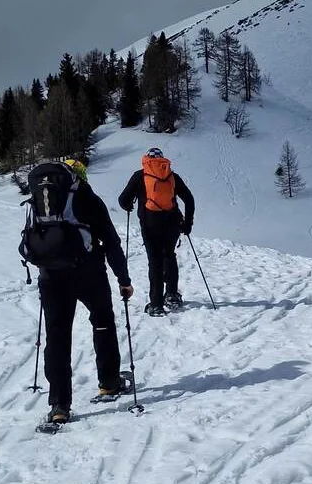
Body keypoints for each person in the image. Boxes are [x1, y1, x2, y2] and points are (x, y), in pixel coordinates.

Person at [20, 158, 134, 424]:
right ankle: (109, 383)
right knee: (103, 322)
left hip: (50, 276)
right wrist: (124, 279)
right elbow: (111, 241)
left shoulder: (39, 198)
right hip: (89, 272)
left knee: (57, 336)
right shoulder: (87, 197)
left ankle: (59, 405)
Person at [117, 148, 196, 316]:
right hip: (172, 223)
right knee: (169, 255)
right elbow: (189, 199)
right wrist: (188, 223)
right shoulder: (172, 176)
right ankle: (172, 295)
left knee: (155, 261)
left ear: (147, 159)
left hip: (150, 224)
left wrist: (129, 205)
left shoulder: (140, 176)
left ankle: (156, 303)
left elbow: (123, 200)